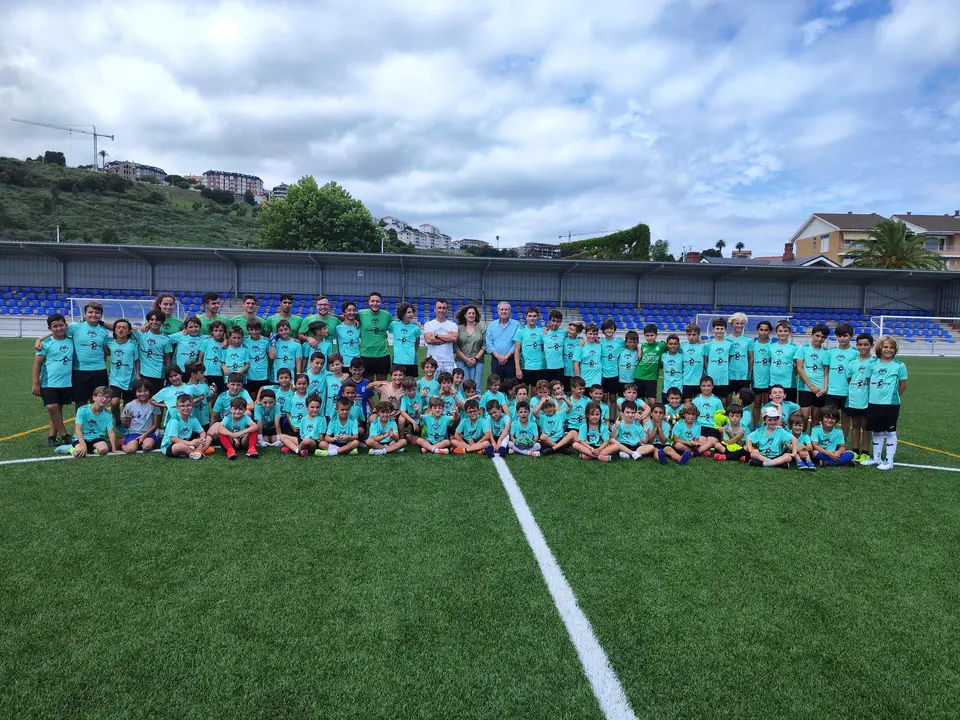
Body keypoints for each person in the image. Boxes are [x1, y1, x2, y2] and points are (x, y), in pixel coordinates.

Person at [861, 335, 908, 470]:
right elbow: (869, 382)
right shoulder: (872, 364)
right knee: (877, 431)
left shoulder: (899, 365)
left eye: (891, 347)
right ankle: (876, 458)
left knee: (890, 432)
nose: (888, 350)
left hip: (891, 404)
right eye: (885, 347)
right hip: (874, 402)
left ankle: (889, 460)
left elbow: (903, 385)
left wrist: (893, 397)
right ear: (879, 348)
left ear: (895, 349)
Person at [32, 313, 75, 446]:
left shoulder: (71, 339)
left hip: (66, 382)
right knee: (52, 407)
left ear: (66, 326)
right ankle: (64, 435)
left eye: (61, 325)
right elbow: (37, 364)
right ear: (50, 328)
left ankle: (51, 437)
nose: (58, 328)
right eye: (54, 326)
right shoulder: (45, 344)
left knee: (58, 409)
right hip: (48, 382)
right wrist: (35, 384)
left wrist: (39, 337)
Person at [845, 333, 876, 461]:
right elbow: (849, 379)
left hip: (869, 399)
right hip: (854, 398)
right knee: (855, 424)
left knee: (866, 425)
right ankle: (855, 450)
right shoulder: (852, 363)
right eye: (860, 344)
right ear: (856, 345)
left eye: (866, 344)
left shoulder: (875, 361)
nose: (863, 347)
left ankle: (866, 451)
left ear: (871, 345)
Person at [825, 323, 857, 441]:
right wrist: (826, 387)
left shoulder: (855, 353)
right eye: (839, 336)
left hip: (848, 392)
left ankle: (842, 442)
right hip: (832, 391)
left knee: (845, 417)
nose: (842, 338)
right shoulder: (830, 352)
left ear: (851, 336)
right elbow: (826, 372)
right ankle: (828, 441)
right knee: (829, 417)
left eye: (845, 336)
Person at [795, 324, 831, 429]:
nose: (819, 339)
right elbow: (799, 369)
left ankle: (813, 441)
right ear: (812, 335)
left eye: (823, 337)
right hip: (805, 387)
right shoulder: (803, 349)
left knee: (816, 417)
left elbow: (826, 373)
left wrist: (825, 388)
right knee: (804, 416)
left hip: (819, 389)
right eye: (817, 335)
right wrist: (811, 386)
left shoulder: (826, 353)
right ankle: (802, 439)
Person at [105, 318, 139, 424]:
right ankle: (118, 421)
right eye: (118, 327)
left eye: (124, 328)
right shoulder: (109, 343)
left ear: (129, 331)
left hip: (130, 379)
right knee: (114, 402)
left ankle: (127, 423)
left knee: (127, 404)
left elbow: (137, 361)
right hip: (115, 379)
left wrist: (138, 376)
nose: (121, 330)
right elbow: (106, 353)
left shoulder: (133, 345)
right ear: (114, 330)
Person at [71, 386, 119, 457]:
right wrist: (83, 445)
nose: (104, 399)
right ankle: (70, 449)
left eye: (107, 397)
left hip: (97, 438)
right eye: (100, 396)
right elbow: (78, 430)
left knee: (104, 450)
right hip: (82, 438)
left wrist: (114, 449)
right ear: (94, 397)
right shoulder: (82, 410)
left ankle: (93, 449)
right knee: (78, 454)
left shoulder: (108, 415)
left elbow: (111, 432)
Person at [357, 292, 395, 381]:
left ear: (381, 302)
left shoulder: (387, 315)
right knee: (368, 386)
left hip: (383, 355)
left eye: (377, 301)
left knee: (381, 387)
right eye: (372, 301)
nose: (375, 304)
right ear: (368, 302)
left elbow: (399, 325)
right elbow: (347, 319)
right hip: (366, 355)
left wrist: (413, 323)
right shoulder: (361, 314)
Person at [161, 394, 211, 459]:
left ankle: (195, 452)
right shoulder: (175, 420)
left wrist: (202, 438)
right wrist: (190, 443)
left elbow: (202, 432)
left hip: (188, 443)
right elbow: (173, 439)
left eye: (189, 405)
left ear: (193, 407)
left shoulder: (193, 418)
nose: (186, 408)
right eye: (182, 406)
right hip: (171, 445)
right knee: (178, 447)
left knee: (209, 438)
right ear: (177, 407)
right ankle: (198, 451)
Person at [133, 310, 172, 392]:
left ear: (162, 322)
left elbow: (167, 358)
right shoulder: (141, 333)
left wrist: (168, 374)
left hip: (158, 374)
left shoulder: (166, 339)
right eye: (152, 319)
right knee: (143, 397)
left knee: (155, 400)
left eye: (157, 320)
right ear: (148, 321)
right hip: (143, 374)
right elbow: (120, 327)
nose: (154, 322)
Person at [120, 379, 161, 454]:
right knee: (130, 450)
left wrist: (144, 435)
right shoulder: (129, 405)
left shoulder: (154, 405)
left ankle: (143, 443)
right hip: (133, 433)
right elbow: (126, 425)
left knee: (147, 447)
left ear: (149, 391)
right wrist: (126, 420)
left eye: (145, 391)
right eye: (139, 391)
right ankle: (122, 444)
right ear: (135, 392)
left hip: (148, 433)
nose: (142, 393)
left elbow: (156, 425)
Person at [485, 301, 521, 382]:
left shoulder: (516, 325)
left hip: (511, 361)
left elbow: (516, 343)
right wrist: (498, 357)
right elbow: (489, 343)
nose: (504, 311)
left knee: (511, 388)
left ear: (509, 311)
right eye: (501, 309)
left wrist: (506, 357)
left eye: (506, 309)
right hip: (495, 360)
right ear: (498, 311)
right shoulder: (491, 325)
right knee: (496, 386)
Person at [423, 299, 458, 375]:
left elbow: (454, 338)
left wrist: (437, 336)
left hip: (448, 361)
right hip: (433, 361)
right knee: (433, 385)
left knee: (448, 385)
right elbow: (429, 340)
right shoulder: (428, 324)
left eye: (444, 308)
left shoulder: (453, 325)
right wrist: (448, 338)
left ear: (447, 310)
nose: (441, 310)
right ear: (435, 309)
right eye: (439, 308)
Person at [702, 317, 733, 404]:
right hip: (712, 376)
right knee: (711, 399)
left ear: (725, 329)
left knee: (723, 400)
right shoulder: (708, 344)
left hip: (724, 377)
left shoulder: (729, 344)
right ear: (713, 329)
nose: (719, 331)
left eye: (722, 329)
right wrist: (708, 372)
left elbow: (729, 358)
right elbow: (705, 360)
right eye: (717, 328)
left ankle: (722, 417)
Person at [454, 304, 486, 385]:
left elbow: (485, 345)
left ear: (476, 315)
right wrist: (466, 359)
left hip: (478, 362)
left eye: (473, 313)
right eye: (469, 313)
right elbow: (455, 346)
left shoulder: (481, 328)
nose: (471, 315)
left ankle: (476, 398)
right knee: (463, 385)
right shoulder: (458, 328)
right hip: (461, 361)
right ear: (465, 315)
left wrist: (475, 359)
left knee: (476, 386)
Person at [513, 307, 545, 388]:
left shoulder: (541, 331)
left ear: (537, 317)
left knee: (536, 392)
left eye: (534, 316)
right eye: (530, 316)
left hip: (539, 367)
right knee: (523, 393)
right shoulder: (520, 331)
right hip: (525, 366)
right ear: (526, 317)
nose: (532, 318)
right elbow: (516, 350)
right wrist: (517, 368)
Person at [635, 323, 666, 406]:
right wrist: (638, 349)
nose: (649, 338)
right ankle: (640, 418)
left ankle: (650, 418)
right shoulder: (643, 346)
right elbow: (630, 344)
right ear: (644, 336)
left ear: (656, 335)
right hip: (639, 376)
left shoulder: (661, 345)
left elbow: (674, 345)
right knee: (640, 401)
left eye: (652, 335)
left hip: (652, 378)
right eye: (647, 335)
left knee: (652, 401)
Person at [769, 320, 799, 403]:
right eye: (780, 331)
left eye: (785, 331)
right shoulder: (770, 346)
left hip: (789, 384)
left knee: (790, 409)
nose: (782, 333)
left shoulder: (795, 347)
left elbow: (798, 366)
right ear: (776, 332)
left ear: (789, 333)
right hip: (773, 383)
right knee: (774, 410)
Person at [599, 319, 625, 416]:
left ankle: (612, 419)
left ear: (614, 330)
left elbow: (632, 345)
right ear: (603, 330)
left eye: (611, 328)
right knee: (604, 398)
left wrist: (639, 349)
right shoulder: (600, 342)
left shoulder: (619, 342)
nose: (609, 331)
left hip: (614, 374)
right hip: (603, 375)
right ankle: (605, 417)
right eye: (607, 329)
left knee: (613, 398)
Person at [390, 303, 423, 377]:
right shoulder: (394, 325)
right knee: (397, 383)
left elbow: (417, 344)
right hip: (397, 361)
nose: (411, 314)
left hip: (411, 361)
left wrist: (412, 354)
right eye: (409, 312)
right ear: (402, 313)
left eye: (412, 312)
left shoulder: (416, 328)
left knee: (410, 384)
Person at [727, 312, 754, 400]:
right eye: (737, 323)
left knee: (743, 400)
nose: (739, 325)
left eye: (741, 323)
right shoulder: (726, 339)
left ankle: (743, 414)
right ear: (732, 324)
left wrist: (749, 373)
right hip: (730, 374)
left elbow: (750, 357)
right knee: (728, 400)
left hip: (743, 374)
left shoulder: (748, 340)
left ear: (744, 325)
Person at [243, 319, 271, 398]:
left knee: (262, 395)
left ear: (260, 329)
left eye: (256, 329)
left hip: (263, 373)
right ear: (248, 330)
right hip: (250, 373)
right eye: (251, 329)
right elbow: (232, 339)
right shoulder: (244, 340)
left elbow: (270, 356)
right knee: (250, 396)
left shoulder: (266, 341)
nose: (254, 332)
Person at [751, 320, 773, 418]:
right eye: (761, 330)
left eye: (766, 330)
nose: (763, 332)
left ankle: (766, 425)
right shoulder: (753, 345)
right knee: (756, 403)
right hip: (757, 379)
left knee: (767, 405)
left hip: (769, 380)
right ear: (758, 330)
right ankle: (755, 426)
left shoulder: (772, 346)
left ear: (769, 331)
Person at [574, 324, 603, 390]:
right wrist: (578, 379)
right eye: (590, 334)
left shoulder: (600, 344)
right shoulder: (580, 346)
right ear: (585, 333)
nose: (592, 336)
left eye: (594, 334)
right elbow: (576, 363)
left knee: (596, 398)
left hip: (597, 378)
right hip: (585, 378)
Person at [680, 323, 704, 401]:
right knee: (687, 404)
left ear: (698, 334)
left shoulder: (704, 346)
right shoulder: (682, 346)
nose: (691, 337)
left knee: (699, 404)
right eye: (689, 334)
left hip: (699, 382)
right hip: (686, 381)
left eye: (694, 334)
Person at [334, 301, 361, 369]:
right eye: (349, 310)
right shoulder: (338, 328)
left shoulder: (359, 327)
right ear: (343, 313)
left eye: (354, 310)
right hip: (343, 363)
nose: (352, 312)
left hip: (357, 363)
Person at [562, 321, 584, 392]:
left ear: (577, 333)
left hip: (574, 372)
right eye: (569, 328)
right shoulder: (563, 339)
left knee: (575, 392)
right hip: (564, 372)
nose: (569, 331)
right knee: (565, 392)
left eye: (572, 329)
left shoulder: (580, 342)